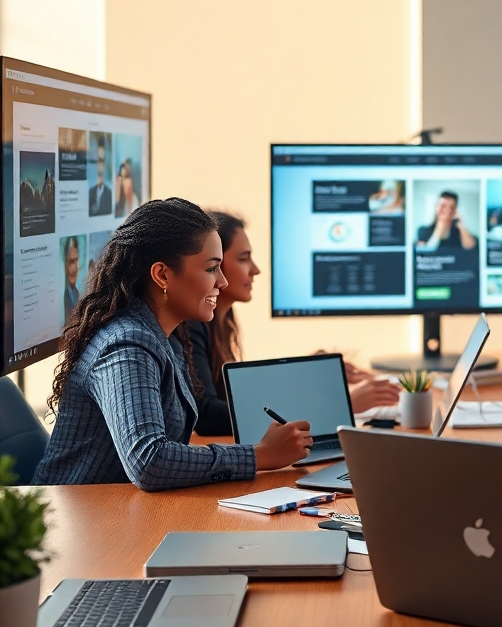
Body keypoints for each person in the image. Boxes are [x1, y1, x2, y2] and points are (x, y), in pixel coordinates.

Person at [33, 198, 312, 490]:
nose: (223, 282)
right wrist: (260, 455)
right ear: (162, 275)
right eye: (211, 269)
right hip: (79, 523)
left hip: (118, 511)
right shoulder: (126, 345)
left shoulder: (166, 336)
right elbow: (150, 461)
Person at [189, 212, 401, 435]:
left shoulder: (222, 323)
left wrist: (308, 375)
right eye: (243, 258)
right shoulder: (191, 327)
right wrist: (338, 404)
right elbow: (207, 416)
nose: (256, 269)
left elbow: (238, 396)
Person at [89, 139, 112, 217]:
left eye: (102, 161)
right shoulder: (90, 192)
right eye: (98, 160)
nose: (100, 164)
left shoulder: (109, 193)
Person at [62, 237, 81, 323]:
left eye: (76, 261)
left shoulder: (77, 293)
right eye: (71, 262)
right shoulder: (64, 296)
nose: (75, 268)